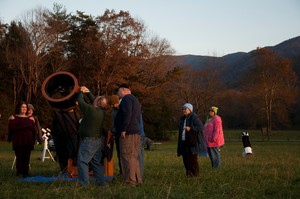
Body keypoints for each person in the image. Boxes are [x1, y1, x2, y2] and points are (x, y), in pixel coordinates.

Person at [77, 86, 108, 186]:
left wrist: (81, 92)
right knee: (96, 162)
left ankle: (84, 183)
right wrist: (88, 92)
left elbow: (80, 102)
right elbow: (95, 100)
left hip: (89, 141)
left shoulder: (90, 110)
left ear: (96, 103)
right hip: (97, 141)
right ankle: (102, 182)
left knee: (82, 161)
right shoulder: (101, 112)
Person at [115, 83, 142, 187]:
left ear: (124, 90)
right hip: (136, 131)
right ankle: (137, 180)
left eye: (118, 91)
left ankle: (130, 182)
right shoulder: (135, 100)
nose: (118, 93)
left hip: (128, 132)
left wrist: (123, 129)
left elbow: (127, 114)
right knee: (134, 156)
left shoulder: (126, 99)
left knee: (126, 156)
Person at [8, 101, 37, 178]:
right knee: (19, 157)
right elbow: (12, 129)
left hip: (28, 141)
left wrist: (34, 140)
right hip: (19, 141)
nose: (24, 109)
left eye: (25, 107)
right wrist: (26, 127)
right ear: (19, 108)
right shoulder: (14, 118)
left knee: (27, 158)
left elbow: (34, 130)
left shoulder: (31, 119)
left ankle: (26, 173)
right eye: (22, 107)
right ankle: (19, 173)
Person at [177, 103, 205, 177]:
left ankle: (195, 175)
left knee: (192, 159)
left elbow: (200, 127)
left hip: (192, 142)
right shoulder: (182, 118)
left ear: (189, 109)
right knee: (185, 159)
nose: (183, 110)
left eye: (185, 109)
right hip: (183, 142)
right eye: (183, 109)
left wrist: (191, 128)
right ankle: (189, 174)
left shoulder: (194, 118)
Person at [51, 107, 81, 174]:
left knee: (71, 156)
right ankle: (64, 171)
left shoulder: (76, 115)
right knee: (63, 156)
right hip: (61, 139)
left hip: (72, 139)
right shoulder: (59, 115)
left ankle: (70, 171)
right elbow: (54, 127)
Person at [110, 94, 122, 175]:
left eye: (113, 103)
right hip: (113, 133)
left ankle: (122, 171)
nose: (112, 105)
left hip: (119, 134)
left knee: (121, 153)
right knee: (114, 153)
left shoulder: (120, 110)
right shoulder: (112, 110)